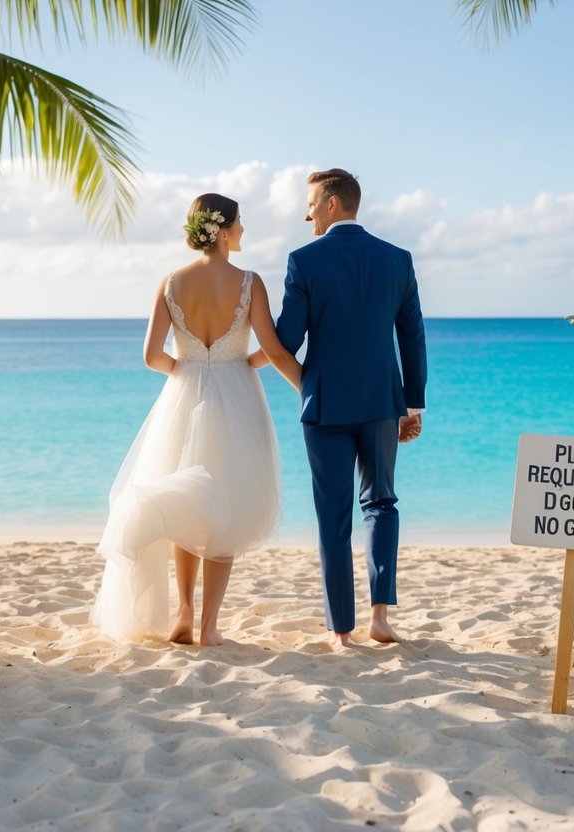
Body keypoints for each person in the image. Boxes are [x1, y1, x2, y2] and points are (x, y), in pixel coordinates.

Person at [91, 193, 301, 646]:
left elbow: (151, 357)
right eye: (240, 222)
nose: (244, 230)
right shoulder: (249, 282)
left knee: (185, 501)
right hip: (237, 395)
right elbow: (275, 349)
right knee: (226, 506)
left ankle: (183, 613)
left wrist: (186, 371)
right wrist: (244, 363)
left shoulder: (170, 283)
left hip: (181, 398)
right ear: (223, 231)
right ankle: (209, 627)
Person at [275, 169, 427, 649]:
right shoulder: (397, 260)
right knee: (381, 502)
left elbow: (287, 341)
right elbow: (412, 336)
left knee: (333, 516)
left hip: (325, 406)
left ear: (333, 204)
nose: (308, 213)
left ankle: (342, 631)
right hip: (383, 401)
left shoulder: (303, 261)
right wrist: (412, 403)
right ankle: (380, 617)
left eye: (312, 204)